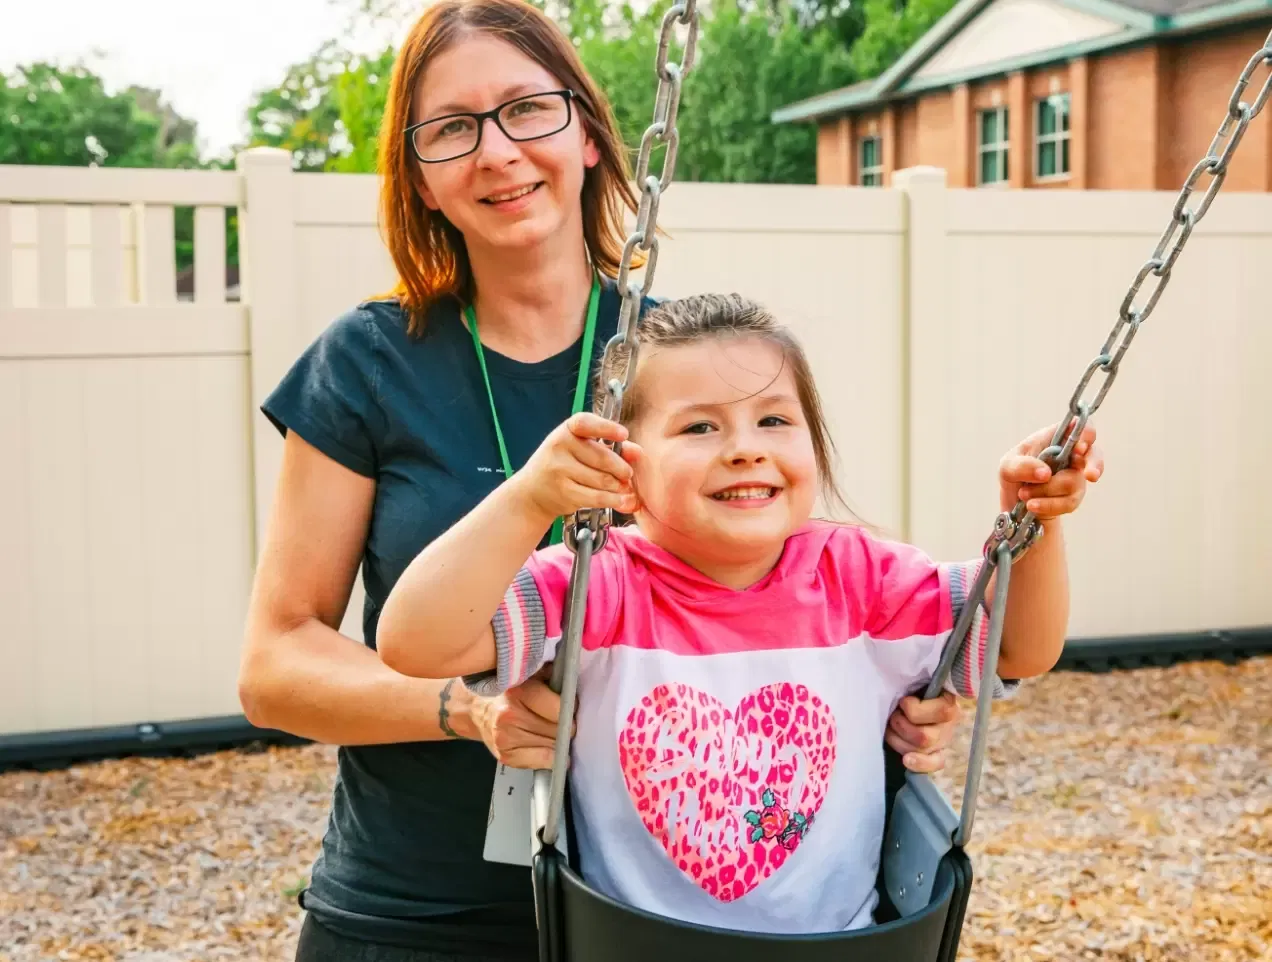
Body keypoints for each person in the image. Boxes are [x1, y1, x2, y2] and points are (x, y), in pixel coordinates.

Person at [237, 0, 965, 959]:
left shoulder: (683, 362)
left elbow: (784, 594)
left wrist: (889, 703)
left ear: (585, 131)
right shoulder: (369, 363)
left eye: (526, 109)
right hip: (421, 907)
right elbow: (276, 666)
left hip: (662, 918)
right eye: (452, 128)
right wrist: (467, 709)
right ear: (420, 177)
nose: (497, 151)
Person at [377, 293, 1105, 936]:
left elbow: (1017, 649)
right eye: (699, 429)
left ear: (812, 448)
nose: (745, 450)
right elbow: (413, 642)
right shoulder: (598, 585)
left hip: (838, 945)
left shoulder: (861, 579)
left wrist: (1031, 526)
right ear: (622, 474)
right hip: (633, 944)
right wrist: (529, 499)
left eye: (773, 419)